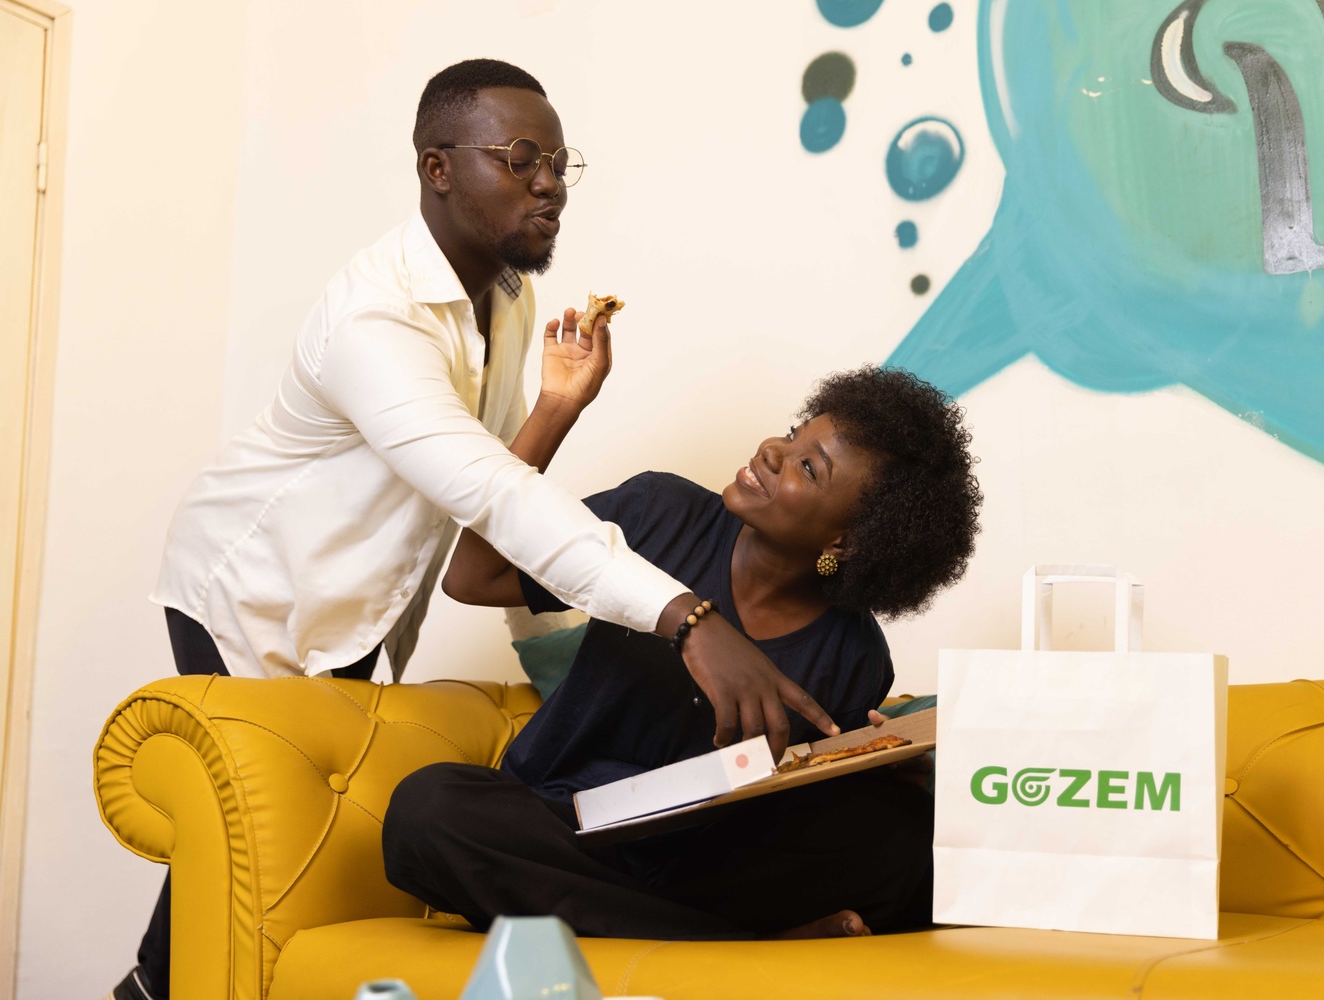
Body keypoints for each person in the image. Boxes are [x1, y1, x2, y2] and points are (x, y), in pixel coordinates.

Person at [109, 59, 835, 1000]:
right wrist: (688, 619)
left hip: (360, 609)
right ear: (438, 168)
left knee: (257, 838)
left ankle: (150, 988)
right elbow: (497, 497)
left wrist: (557, 404)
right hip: (256, 585)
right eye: (521, 159)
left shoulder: (508, 297)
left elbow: (480, 497)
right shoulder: (377, 319)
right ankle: (148, 989)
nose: (549, 184)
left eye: (560, 163)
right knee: (249, 825)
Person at [381, 364, 983, 940]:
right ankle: (739, 942)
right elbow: (474, 577)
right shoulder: (659, 513)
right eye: (793, 432)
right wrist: (557, 408)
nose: (772, 449)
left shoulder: (856, 655)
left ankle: (651, 924)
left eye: (808, 466)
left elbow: (788, 810)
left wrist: (873, 774)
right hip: (563, 825)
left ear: (844, 542)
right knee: (428, 810)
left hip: (701, 865)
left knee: (905, 837)